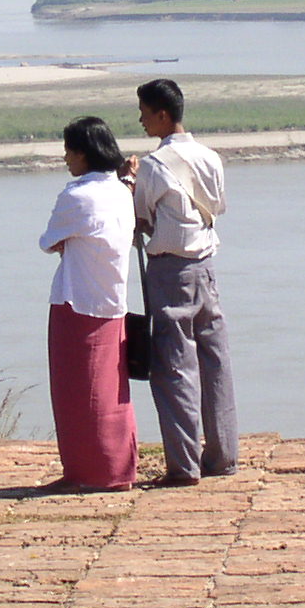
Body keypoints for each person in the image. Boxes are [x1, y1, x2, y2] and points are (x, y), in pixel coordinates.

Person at [129, 79, 236, 487]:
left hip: (170, 271)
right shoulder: (210, 157)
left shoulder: (155, 166)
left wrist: (129, 181)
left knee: (174, 368)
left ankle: (184, 465)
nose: (140, 120)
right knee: (215, 362)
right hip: (206, 267)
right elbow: (219, 206)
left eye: (143, 112)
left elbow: (140, 218)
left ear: (161, 114)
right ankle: (223, 456)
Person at [38, 116, 138, 492]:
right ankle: (116, 467)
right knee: (111, 388)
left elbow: (49, 240)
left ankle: (89, 471)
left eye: (69, 151)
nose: (66, 159)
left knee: (77, 392)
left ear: (82, 153)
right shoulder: (120, 192)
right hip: (112, 298)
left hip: (76, 300)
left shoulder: (75, 196)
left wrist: (68, 242)